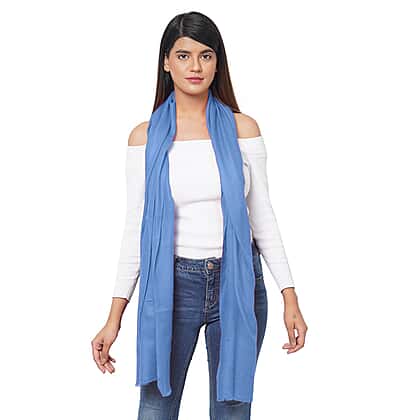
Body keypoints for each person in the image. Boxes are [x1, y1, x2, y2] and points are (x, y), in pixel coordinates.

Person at [91, 11, 308, 420]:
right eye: (184, 55)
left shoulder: (243, 129)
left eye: (206, 56)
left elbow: (262, 216)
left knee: (231, 409)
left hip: (239, 283)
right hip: (172, 285)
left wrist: (289, 295)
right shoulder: (144, 137)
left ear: (217, 63)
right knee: (156, 407)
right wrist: (113, 317)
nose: (195, 67)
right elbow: (136, 229)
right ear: (166, 62)